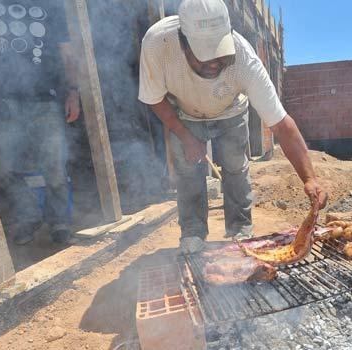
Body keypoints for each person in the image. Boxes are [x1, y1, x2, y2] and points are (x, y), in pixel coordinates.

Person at [139, 0, 328, 254]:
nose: (215, 62)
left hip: (231, 112)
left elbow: (282, 125)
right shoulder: (157, 44)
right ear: (183, 43)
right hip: (185, 114)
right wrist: (185, 136)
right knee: (187, 171)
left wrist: (309, 178)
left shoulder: (245, 60)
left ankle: (241, 232)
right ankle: (193, 234)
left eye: (220, 54)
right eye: (205, 57)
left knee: (235, 168)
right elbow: (154, 99)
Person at [0, 1, 80, 244]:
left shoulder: (50, 4)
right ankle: (28, 214)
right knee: (2, 168)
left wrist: (73, 92)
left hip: (45, 99)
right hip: (1, 101)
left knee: (54, 167)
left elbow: (68, 53)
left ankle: (60, 222)